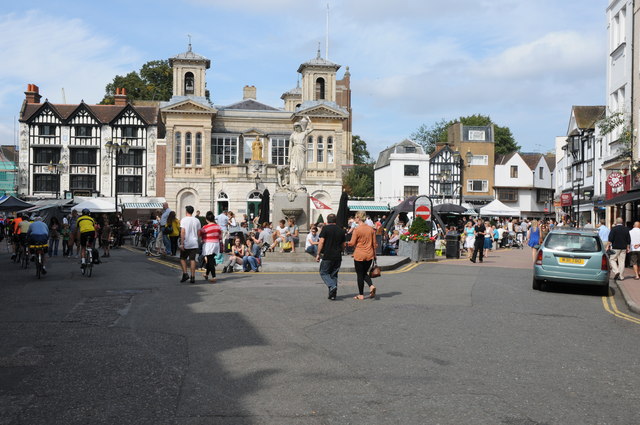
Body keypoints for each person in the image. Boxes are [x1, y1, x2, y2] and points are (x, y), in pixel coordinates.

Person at [348, 211, 377, 300]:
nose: (355, 219)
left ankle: (361, 294)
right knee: (364, 273)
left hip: (359, 254)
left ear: (359, 218)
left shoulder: (357, 230)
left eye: (356, 217)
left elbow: (352, 243)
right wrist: (375, 255)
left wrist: (346, 243)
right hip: (369, 254)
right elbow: (374, 244)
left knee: (360, 274)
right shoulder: (371, 229)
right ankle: (371, 286)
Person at [316, 213, 346, 301]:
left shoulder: (325, 229)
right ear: (335, 220)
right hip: (337, 255)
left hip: (328, 255)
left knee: (323, 272)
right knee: (334, 275)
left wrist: (318, 253)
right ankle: (333, 294)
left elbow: (321, 242)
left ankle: (332, 286)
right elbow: (343, 244)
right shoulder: (340, 230)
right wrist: (341, 250)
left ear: (327, 220)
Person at [179, 205, 202, 284]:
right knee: (192, 260)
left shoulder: (184, 220)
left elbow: (182, 232)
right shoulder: (197, 220)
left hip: (186, 242)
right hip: (194, 242)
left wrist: (182, 243)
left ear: (186, 212)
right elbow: (199, 233)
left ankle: (185, 274)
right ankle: (193, 277)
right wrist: (195, 238)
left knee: (182, 258)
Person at [200, 211, 221, 282]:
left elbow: (200, 234)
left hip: (208, 244)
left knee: (210, 260)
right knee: (209, 259)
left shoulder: (205, 227)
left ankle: (214, 277)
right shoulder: (218, 226)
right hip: (216, 244)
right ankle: (206, 274)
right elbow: (220, 237)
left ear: (206, 219)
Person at [607, 217, 631, 281]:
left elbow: (610, 239)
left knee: (612, 259)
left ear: (616, 222)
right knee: (622, 261)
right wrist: (628, 247)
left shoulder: (614, 229)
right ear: (622, 222)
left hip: (615, 247)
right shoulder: (626, 229)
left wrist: (607, 246)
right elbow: (628, 239)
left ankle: (616, 271)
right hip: (623, 247)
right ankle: (621, 276)